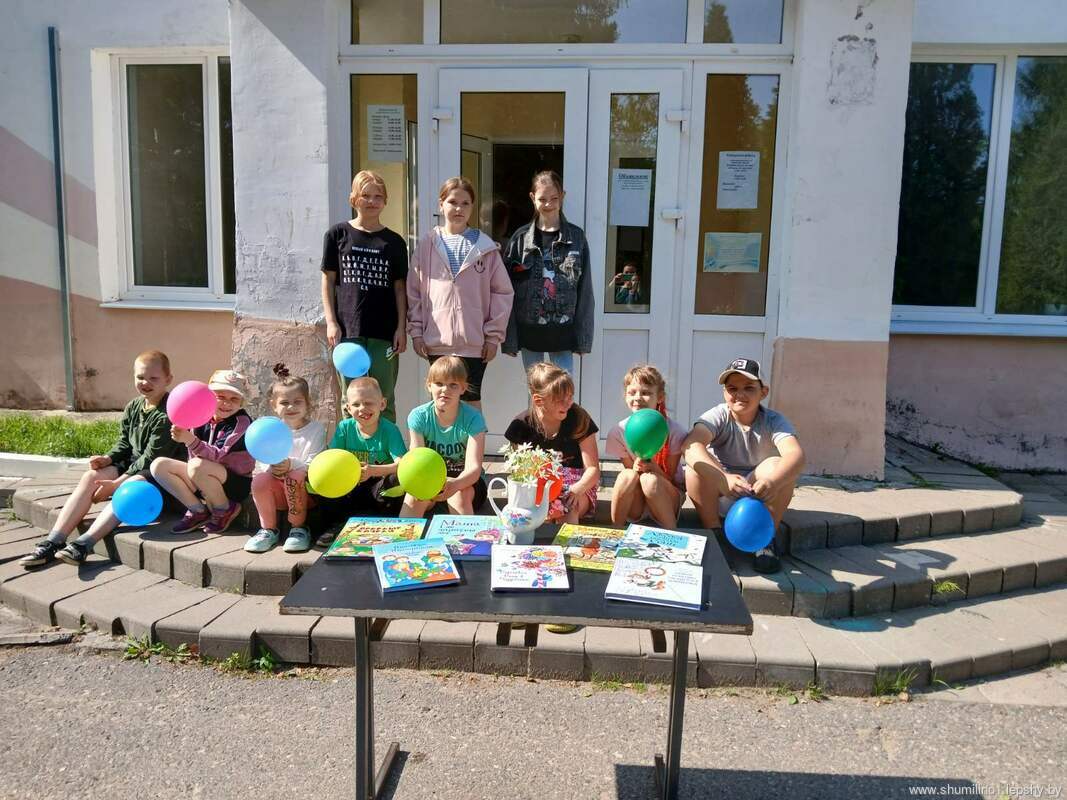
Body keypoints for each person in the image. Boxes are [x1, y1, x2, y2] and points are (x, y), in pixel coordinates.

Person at [19, 350, 183, 568]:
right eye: (140, 377)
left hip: (159, 477)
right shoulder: (134, 406)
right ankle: (54, 541)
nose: (145, 383)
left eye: (153, 378)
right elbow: (125, 443)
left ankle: (83, 545)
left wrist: (116, 484)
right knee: (91, 477)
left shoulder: (168, 413)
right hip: (135, 466)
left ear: (168, 379)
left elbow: (150, 458)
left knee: (129, 488)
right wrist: (107, 458)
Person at [683, 357, 805, 574]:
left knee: (779, 467)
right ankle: (714, 532)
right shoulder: (718, 415)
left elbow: (796, 455)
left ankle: (766, 539)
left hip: (757, 494)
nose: (740, 394)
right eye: (732, 388)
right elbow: (691, 445)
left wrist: (772, 482)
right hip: (721, 491)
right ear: (724, 393)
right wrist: (723, 478)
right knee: (694, 467)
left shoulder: (774, 421)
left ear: (763, 392)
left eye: (749, 388)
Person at [407, 176, 513, 411]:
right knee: (442, 403)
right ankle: (442, 438)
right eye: (453, 202)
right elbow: (414, 290)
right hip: (437, 342)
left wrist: (492, 336)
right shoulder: (427, 245)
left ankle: (473, 438)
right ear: (441, 204)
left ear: (472, 207)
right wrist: (416, 332)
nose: (458, 209)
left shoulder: (485, 247)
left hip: (474, 343)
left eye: (465, 203)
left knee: (471, 404)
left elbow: (502, 293)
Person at [321, 170, 408, 421]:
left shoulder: (394, 242)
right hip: (348, 330)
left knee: (384, 396)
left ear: (385, 201)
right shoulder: (337, 234)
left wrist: (401, 328)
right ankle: (351, 444)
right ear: (353, 199)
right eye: (365, 195)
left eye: (378, 196)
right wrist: (331, 322)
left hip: (384, 332)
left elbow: (400, 288)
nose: (372, 201)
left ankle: (386, 444)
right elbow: (328, 280)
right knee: (351, 398)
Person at [502, 170, 594, 375]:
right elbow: (506, 291)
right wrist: (510, 339)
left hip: (563, 334)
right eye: (542, 199)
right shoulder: (520, 239)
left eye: (554, 198)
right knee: (535, 390)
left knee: (563, 389)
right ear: (532, 198)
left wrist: (583, 338)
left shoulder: (576, 237)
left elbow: (585, 291)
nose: (548, 204)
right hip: (529, 332)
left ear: (562, 196)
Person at [150, 370, 254, 535]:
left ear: (242, 402)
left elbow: (218, 455)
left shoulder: (242, 422)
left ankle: (225, 508)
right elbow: (193, 454)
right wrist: (184, 435)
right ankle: (198, 510)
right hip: (202, 476)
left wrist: (189, 439)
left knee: (197, 465)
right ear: (209, 396)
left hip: (234, 483)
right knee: (159, 465)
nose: (226, 403)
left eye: (234, 399)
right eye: (220, 396)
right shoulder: (201, 414)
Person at [316, 376, 408, 548]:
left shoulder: (390, 430)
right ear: (348, 408)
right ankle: (336, 525)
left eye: (368, 403)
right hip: (350, 485)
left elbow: (402, 464)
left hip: (378, 485)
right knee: (324, 476)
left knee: (397, 479)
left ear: (382, 404)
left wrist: (373, 470)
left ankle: (385, 524)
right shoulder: (345, 428)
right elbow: (332, 458)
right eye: (356, 404)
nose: (362, 408)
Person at [504, 362, 600, 525]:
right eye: (560, 399)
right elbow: (519, 470)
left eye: (570, 396)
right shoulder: (522, 425)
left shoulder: (578, 418)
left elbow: (593, 469)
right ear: (538, 400)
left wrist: (578, 489)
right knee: (533, 517)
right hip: (539, 485)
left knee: (568, 509)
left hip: (576, 485)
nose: (568, 403)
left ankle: (567, 539)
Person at [245, 365, 327, 554]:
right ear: (274, 405)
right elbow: (261, 458)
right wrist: (271, 467)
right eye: (284, 402)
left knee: (294, 476)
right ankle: (268, 530)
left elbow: (314, 463)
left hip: (305, 493)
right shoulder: (269, 429)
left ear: (307, 403)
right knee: (259, 480)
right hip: (276, 492)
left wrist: (291, 464)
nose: (291, 407)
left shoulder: (316, 429)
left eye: (297, 402)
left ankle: (299, 528)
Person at [400, 356, 488, 518]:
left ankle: (466, 534)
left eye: (453, 385)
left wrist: (455, 484)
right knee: (413, 498)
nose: (445, 390)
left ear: (463, 388)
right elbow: (417, 463)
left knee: (459, 496)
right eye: (439, 383)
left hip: (465, 481)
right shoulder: (419, 416)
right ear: (429, 386)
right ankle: (404, 534)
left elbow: (473, 469)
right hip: (430, 479)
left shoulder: (474, 418)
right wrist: (426, 487)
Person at [606, 364, 688, 529]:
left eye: (646, 393)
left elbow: (672, 480)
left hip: (666, 498)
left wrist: (654, 468)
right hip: (637, 504)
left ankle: (672, 533)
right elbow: (632, 477)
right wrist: (637, 468)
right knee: (626, 475)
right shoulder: (618, 431)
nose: (637, 398)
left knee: (649, 480)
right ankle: (616, 530)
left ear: (660, 397)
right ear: (626, 396)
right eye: (632, 392)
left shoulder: (674, 430)